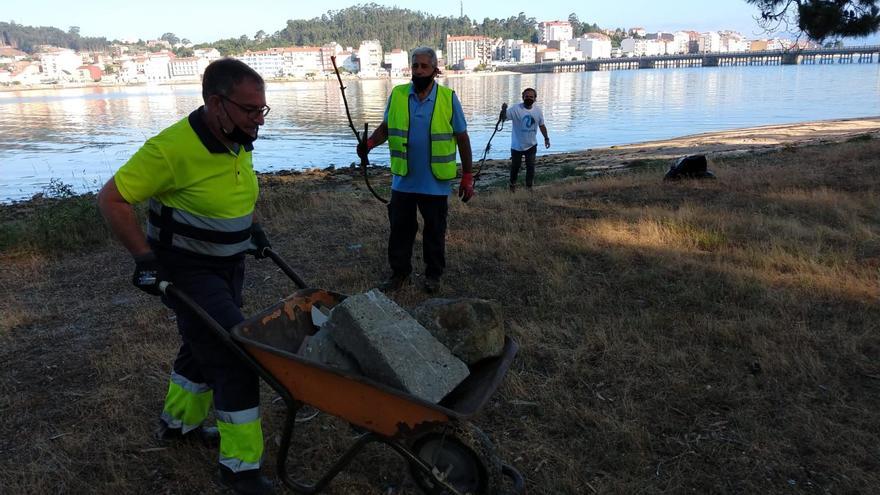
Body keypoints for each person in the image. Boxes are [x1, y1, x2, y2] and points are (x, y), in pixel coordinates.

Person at [97, 58, 275, 495]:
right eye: (251, 110)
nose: (259, 120)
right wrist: (144, 259)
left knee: (201, 346)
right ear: (216, 103)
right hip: (187, 271)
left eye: (263, 110)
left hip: (228, 266)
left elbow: (237, 188)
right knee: (235, 352)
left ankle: (178, 425)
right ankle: (240, 470)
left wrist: (251, 230)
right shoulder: (171, 148)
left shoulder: (237, 136)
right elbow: (112, 199)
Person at [357, 46, 474, 294]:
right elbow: (386, 129)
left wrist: (467, 175)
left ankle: (433, 275)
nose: (419, 71)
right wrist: (368, 144)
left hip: (435, 182)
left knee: (435, 232)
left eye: (424, 66)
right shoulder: (398, 95)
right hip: (404, 181)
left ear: (434, 69)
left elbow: (462, 138)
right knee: (400, 231)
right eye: (415, 66)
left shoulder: (448, 98)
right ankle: (400, 274)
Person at [504, 87, 550, 191]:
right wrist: (503, 111)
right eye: (526, 96)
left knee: (531, 167)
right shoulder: (516, 109)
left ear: (535, 98)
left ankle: (529, 188)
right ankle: (512, 186)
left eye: (531, 97)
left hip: (531, 145)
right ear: (523, 97)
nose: (528, 98)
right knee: (515, 167)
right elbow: (504, 117)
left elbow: (542, 125)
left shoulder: (538, 111)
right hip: (517, 146)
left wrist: (546, 138)